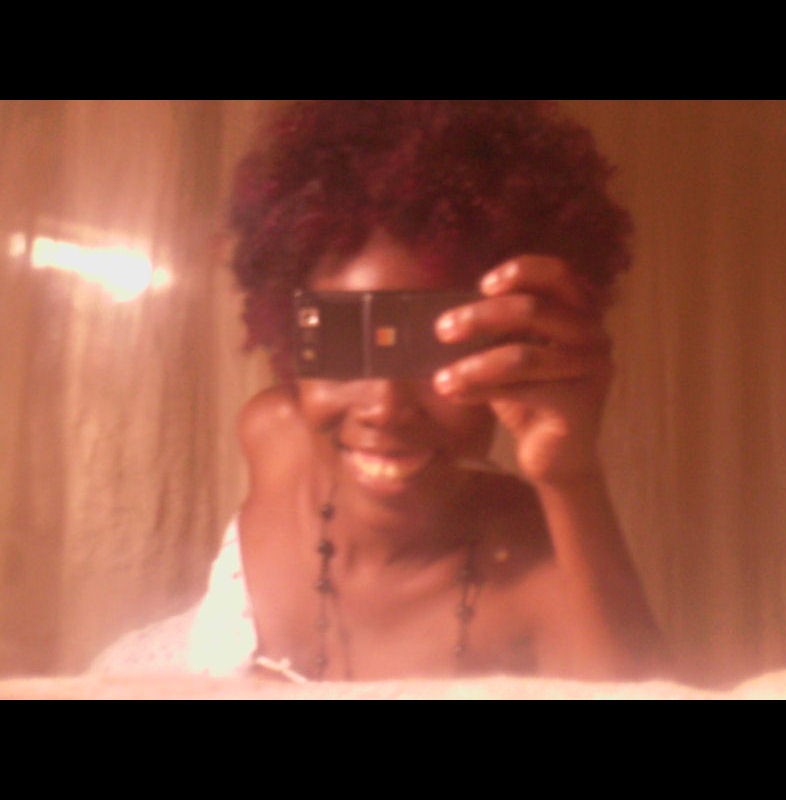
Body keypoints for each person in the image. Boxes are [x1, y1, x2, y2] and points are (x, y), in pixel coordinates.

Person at [92, 100, 665, 682]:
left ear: (516, 348)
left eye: (434, 347)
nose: (385, 408)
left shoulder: (541, 565)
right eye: (343, 340)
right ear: (289, 336)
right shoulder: (271, 432)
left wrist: (571, 475)